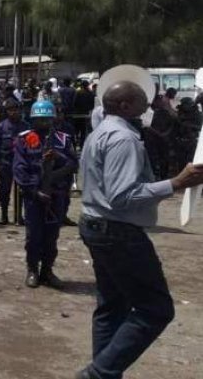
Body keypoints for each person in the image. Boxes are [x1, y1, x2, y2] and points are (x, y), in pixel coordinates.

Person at [75, 80, 203, 379]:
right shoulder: (123, 139)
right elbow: (122, 197)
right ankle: (100, 373)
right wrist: (176, 183)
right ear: (124, 106)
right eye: (142, 100)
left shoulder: (102, 132)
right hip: (117, 231)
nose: (148, 105)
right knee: (155, 309)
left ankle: (103, 373)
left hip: (98, 225)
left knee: (112, 306)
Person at [13, 100, 77, 289]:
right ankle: (32, 269)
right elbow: (19, 169)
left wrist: (59, 157)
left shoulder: (63, 139)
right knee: (33, 236)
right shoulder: (25, 139)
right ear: (33, 119)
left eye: (47, 119)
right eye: (40, 120)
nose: (44, 124)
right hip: (34, 196)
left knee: (52, 236)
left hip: (57, 196)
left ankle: (47, 270)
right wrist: (35, 191)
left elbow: (74, 164)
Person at [0, 98, 29, 225]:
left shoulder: (25, 126)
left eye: (15, 110)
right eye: (10, 110)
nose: (13, 113)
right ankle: (4, 214)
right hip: (5, 162)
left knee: (22, 190)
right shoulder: (1, 127)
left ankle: (19, 215)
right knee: (4, 190)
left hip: (21, 163)